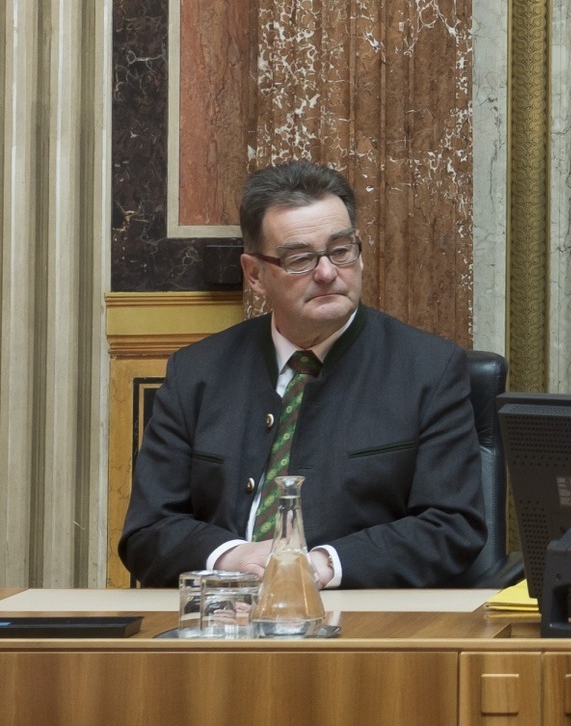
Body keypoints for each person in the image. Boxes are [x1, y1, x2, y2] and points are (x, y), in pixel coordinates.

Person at [120, 161, 487, 588]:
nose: (328, 272)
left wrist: (324, 565)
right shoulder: (197, 373)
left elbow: (452, 525)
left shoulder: (428, 369)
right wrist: (232, 557)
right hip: (218, 622)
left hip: (358, 624)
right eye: (300, 259)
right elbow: (148, 531)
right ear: (255, 274)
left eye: (341, 250)